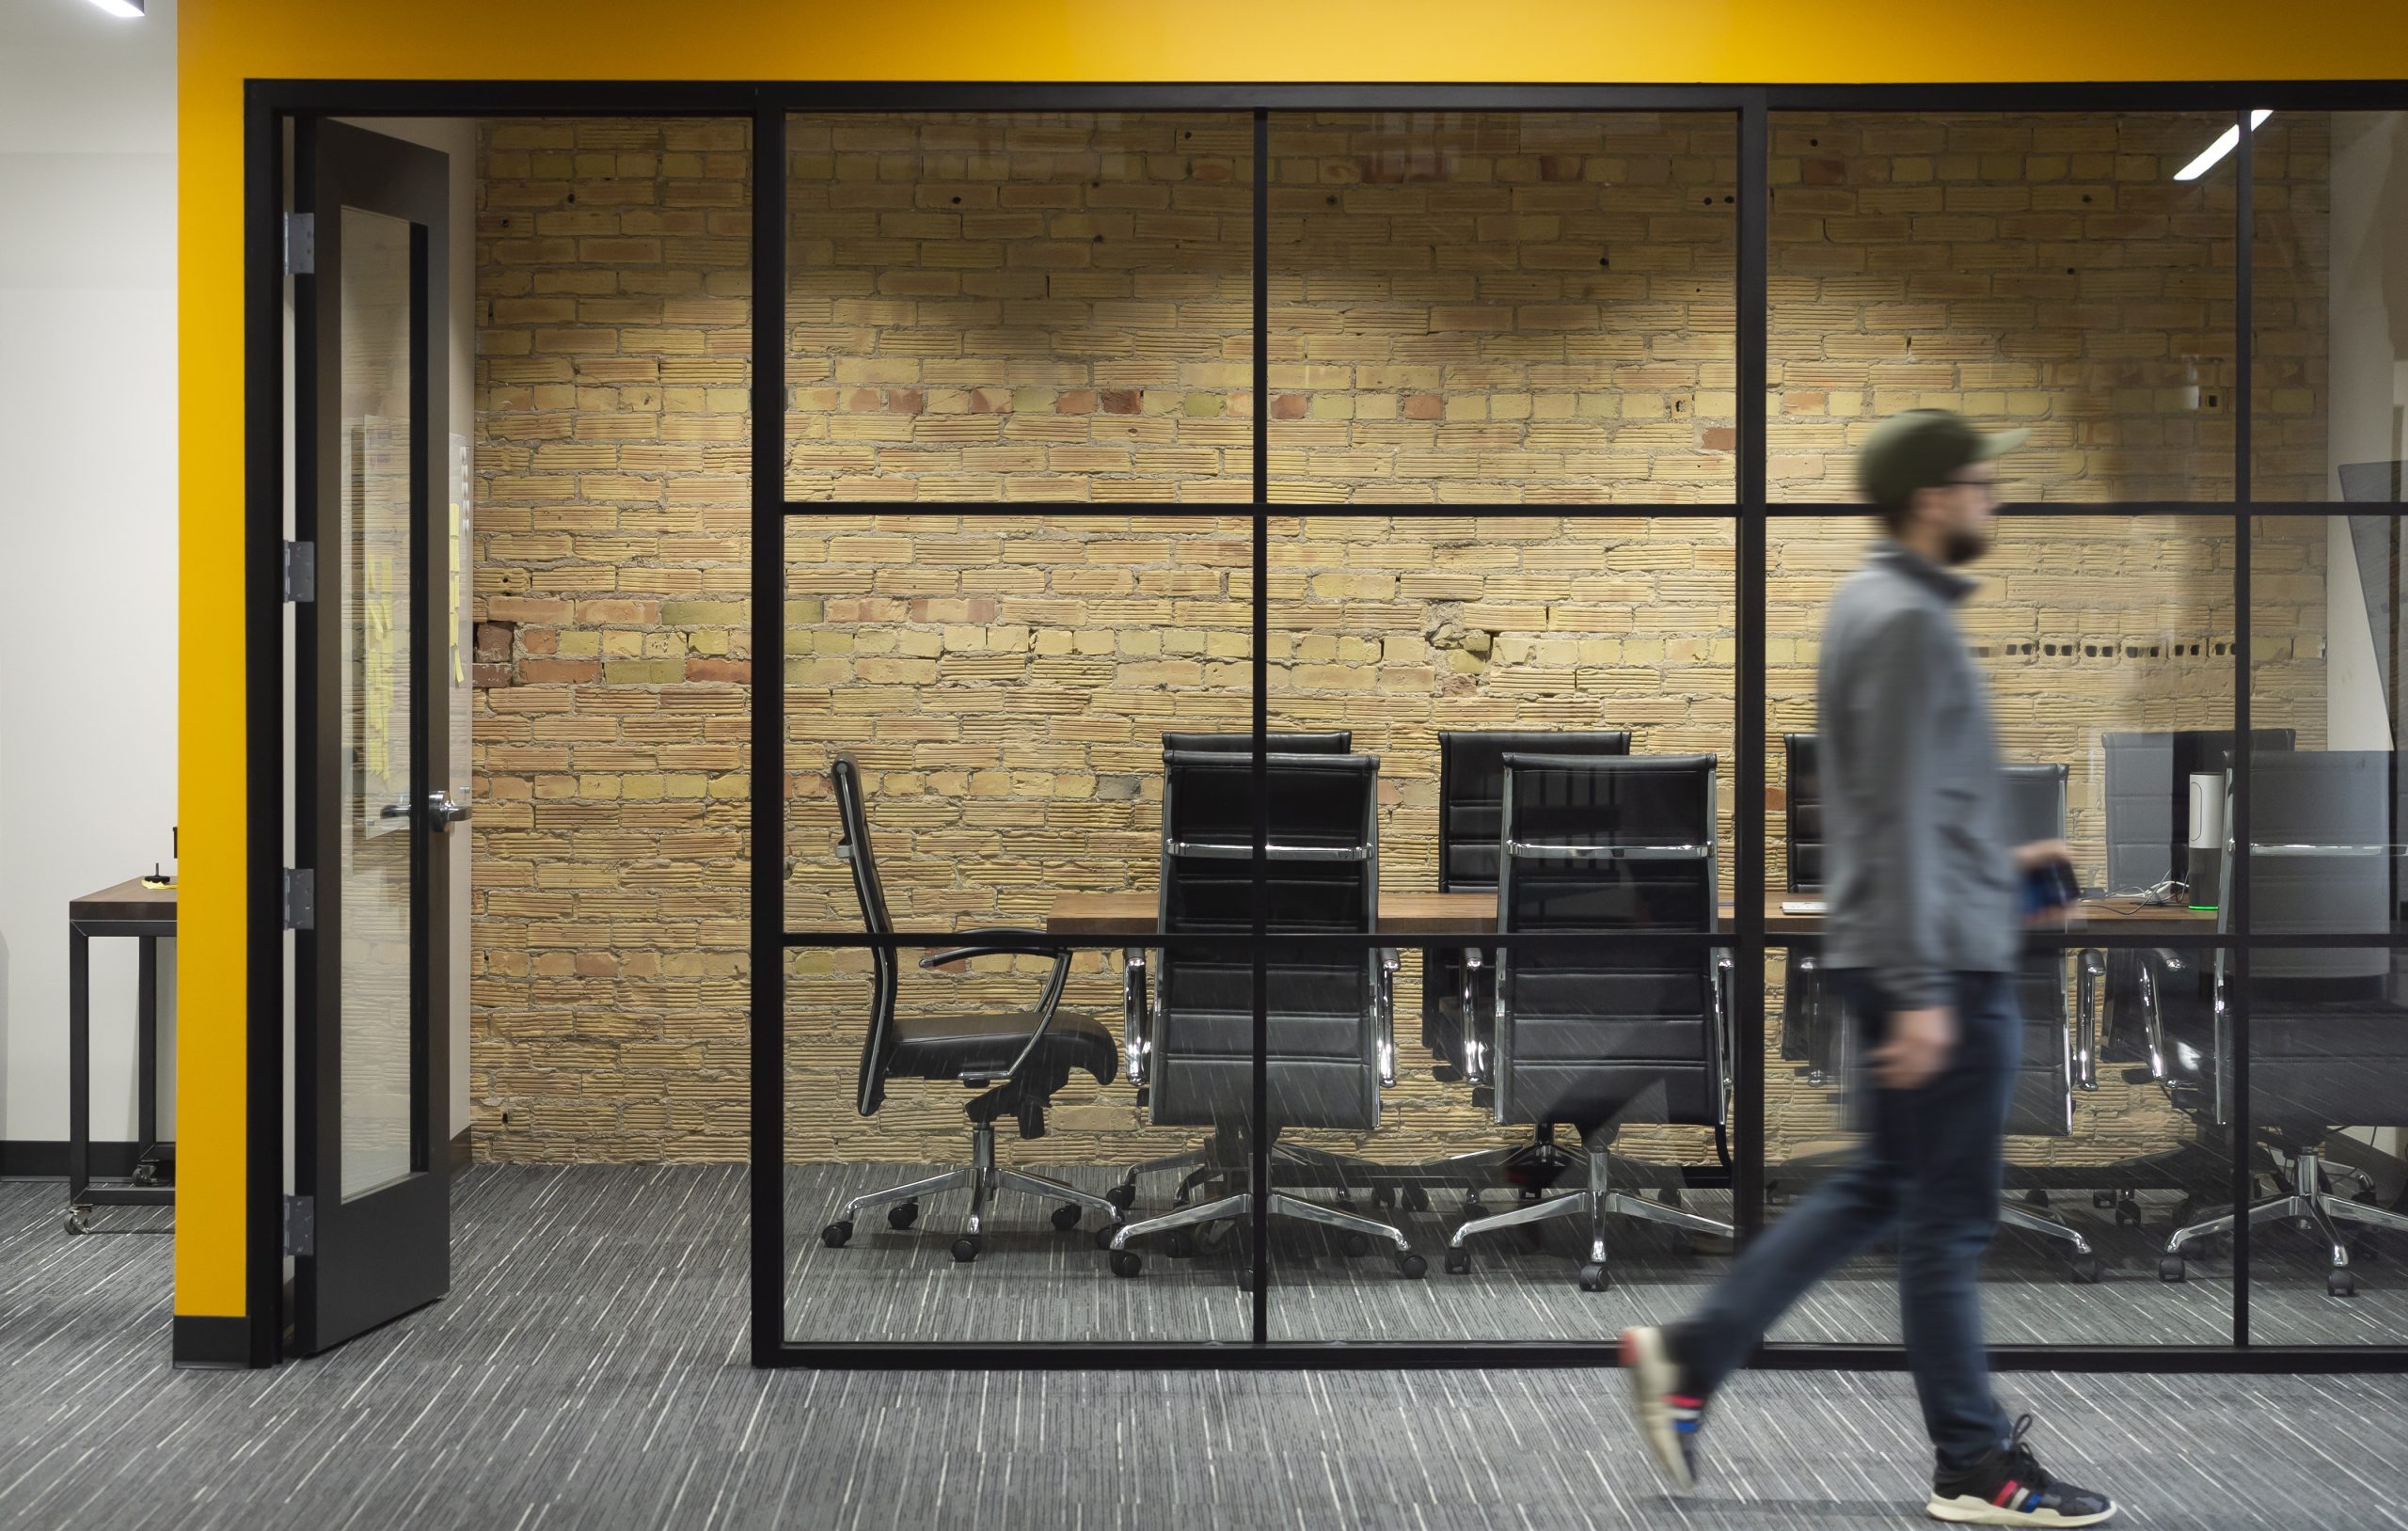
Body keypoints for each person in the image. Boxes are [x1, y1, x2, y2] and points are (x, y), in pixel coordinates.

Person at [1619, 409, 2116, 1527]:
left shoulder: (1881, 608)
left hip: (1922, 950)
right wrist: (1930, 990)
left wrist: (2002, 859)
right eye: (1979, 480)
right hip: (1940, 972)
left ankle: (1692, 1355)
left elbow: (1909, 811)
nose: (1994, 495)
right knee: (1946, 1220)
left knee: (1881, 1191)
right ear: (1929, 494)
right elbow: (1887, 821)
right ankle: (1976, 1465)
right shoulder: (1902, 621)